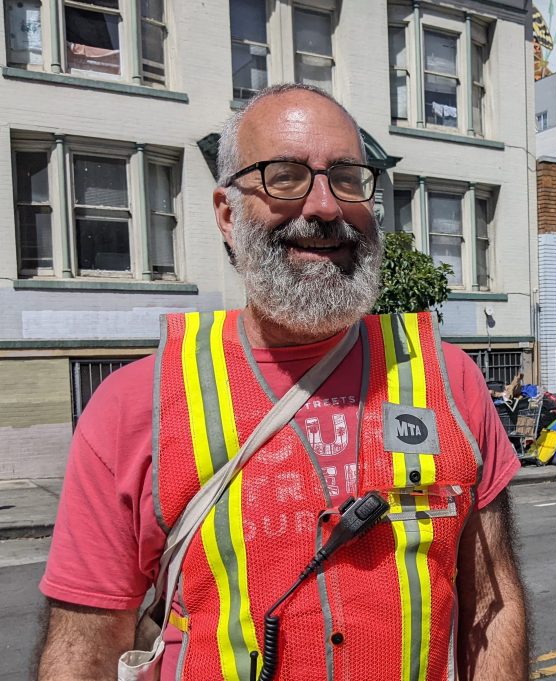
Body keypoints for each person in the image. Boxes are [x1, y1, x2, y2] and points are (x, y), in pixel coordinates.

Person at [36, 83, 529, 680]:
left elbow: (492, 608)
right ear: (226, 213)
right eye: (285, 176)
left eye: (347, 178)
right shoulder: (132, 405)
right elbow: (81, 650)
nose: (324, 206)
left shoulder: (451, 381)